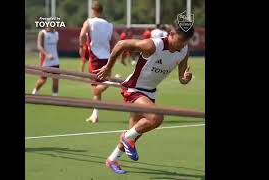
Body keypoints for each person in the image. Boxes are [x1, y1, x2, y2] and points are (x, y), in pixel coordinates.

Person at [94, 20, 195, 174]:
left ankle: (112, 159)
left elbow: (181, 77)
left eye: (186, 42)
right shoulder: (152, 45)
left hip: (149, 92)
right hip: (133, 89)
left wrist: (185, 78)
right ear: (172, 34)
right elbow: (121, 44)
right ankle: (126, 138)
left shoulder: (184, 51)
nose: (183, 45)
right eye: (181, 41)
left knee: (134, 133)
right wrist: (108, 67)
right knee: (156, 118)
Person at [79, 0, 117, 123]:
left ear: (93, 10)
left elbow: (82, 35)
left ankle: (113, 83)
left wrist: (81, 46)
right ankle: (95, 114)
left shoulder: (89, 22)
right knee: (97, 90)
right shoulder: (108, 24)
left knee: (95, 89)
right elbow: (117, 38)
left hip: (95, 58)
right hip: (107, 57)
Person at [32, 26, 60, 96]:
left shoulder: (56, 34)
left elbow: (54, 46)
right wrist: (47, 54)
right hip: (45, 60)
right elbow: (39, 46)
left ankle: (55, 96)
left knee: (56, 79)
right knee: (43, 79)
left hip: (55, 60)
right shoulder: (42, 33)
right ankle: (34, 92)